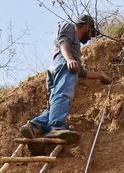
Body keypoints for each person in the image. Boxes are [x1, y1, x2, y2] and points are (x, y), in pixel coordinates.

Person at [20, 14, 112, 145]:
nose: (91, 37)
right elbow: (63, 41)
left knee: (57, 103)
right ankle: (56, 127)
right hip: (63, 64)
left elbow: (80, 72)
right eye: (91, 33)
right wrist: (69, 59)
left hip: (58, 68)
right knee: (63, 95)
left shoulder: (74, 48)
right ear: (86, 27)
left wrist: (100, 76)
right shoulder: (69, 27)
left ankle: (35, 126)